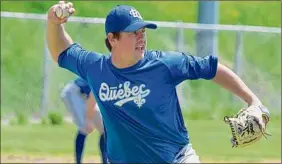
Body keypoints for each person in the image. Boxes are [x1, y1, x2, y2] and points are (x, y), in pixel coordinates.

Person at [46, 1, 270, 163]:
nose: (142, 37)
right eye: (133, 32)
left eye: (143, 31)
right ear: (112, 39)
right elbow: (61, 52)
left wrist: (253, 100)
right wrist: (54, 22)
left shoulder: (164, 64)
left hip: (177, 158)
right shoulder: (97, 68)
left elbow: (211, 68)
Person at [60, 77, 107, 164]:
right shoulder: (105, 75)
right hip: (73, 92)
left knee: (104, 129)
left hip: (85, 96)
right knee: (84, 127)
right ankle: (78, 161)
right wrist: (88, 119)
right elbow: (92, 97)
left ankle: (105, 161)